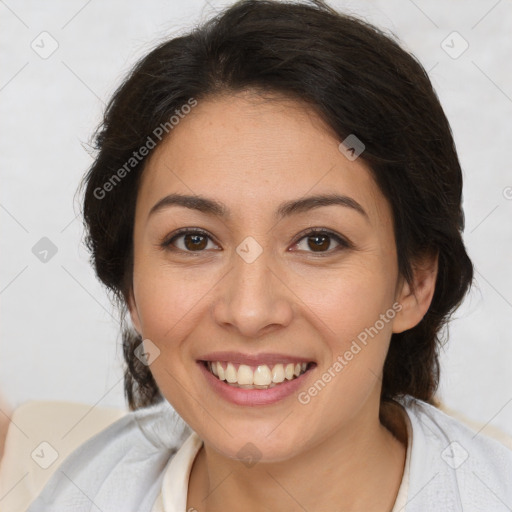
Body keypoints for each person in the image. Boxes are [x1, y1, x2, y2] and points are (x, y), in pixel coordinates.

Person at [17, 0, 512, 510]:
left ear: (414, 281)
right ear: (131, 285)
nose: (250, 311)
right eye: (194, 240)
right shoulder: (80, 492)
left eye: (319, 241)